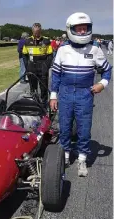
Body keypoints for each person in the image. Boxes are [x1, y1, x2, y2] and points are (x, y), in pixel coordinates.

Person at [50, 12, 112, 177]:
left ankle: (82, 159)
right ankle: (65, 156)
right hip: (65, 93)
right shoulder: (63, 50)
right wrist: (53, 96)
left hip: (85, 94)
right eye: (79, 29)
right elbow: (56, 74)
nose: (83, 32)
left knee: (84, 128)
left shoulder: (95, 49)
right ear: (71, 29)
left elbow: (107, 70)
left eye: (85, 29)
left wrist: (102, 84)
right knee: (64, 127)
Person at [22, 23, 53, 105]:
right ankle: (34, 103)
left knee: (43, 87)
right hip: (31, 66)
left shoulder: (46, 40)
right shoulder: (27, 41)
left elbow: (50, 55)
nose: (36, 34)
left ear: (40, 31)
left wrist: (47, 66)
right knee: (33, 87)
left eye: (38, 32)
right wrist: (27, 67)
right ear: (32, 31)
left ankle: (44, 104)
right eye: (35, 32)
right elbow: (24, 55)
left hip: (43, 66)